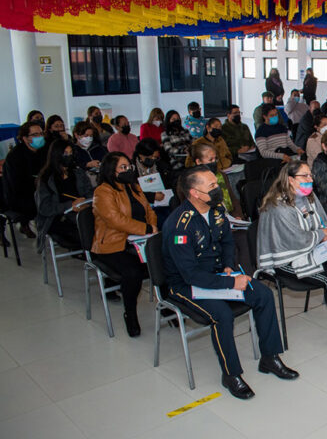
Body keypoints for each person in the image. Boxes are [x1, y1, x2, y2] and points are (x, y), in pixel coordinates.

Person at [163, 166, 297, 399]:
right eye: (212, 186)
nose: (218, 189)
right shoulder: (179, 226)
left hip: (219, 274)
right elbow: (190, 274)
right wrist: (228, 283)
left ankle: (270, 358)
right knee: (222, 315)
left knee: (264, 295)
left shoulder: (216, 211)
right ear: (194, 193)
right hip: (186, 285)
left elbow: (226, 241)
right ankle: (231, 374)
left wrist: (228, 267)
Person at [258, 160, 327, 349]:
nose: (310, 180)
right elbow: (295, 240)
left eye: (310, 175)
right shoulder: (278, 206)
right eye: (304, 176)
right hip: (285, 259)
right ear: (290, 179)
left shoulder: (308, 195)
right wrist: (321, 234)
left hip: (309, 249)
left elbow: (323, 220)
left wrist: (324, 231)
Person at [92, 152, 157, 337]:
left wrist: (151, 225)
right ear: (111, 171)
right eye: (123, 167)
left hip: (140, 240)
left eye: (129, 166)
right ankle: (130, 313)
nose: (128, 170)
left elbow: (148, 210)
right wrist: (145, 228)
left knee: (167, 261)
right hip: (113, 244)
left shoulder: (134, 186)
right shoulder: (103, 191)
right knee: (132, 272)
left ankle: (168, 307)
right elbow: (115, 220)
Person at [190, 144, 251, 272]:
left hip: (229, 219)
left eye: (215, 159)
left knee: (244, 236)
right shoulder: (189, 181)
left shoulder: (221, 175)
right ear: (198, 161)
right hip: (209, 226)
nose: (214, 162)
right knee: (229, 243)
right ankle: (231, 276)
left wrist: (237, 216)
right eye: (210, 160)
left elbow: (233, 199)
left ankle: (247, 277)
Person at [35, 139, 93, 254]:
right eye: (65, 153)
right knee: (86, 234)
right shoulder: (46, 179)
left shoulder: (78, 173)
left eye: (71, 153)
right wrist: (70, 205)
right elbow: (45, 208)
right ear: (56, 155)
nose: (69, 156)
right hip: (57, 218)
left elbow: (90, 193)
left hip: (82, 213)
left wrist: (86, 203)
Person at [2, 121, 48, 238]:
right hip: (21, 196)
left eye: (41, 133)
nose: (40, 137)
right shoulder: (15, 156)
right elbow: (16, 185)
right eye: (35, 135)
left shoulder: (44, 151)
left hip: (41, 191)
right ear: (25, 138)